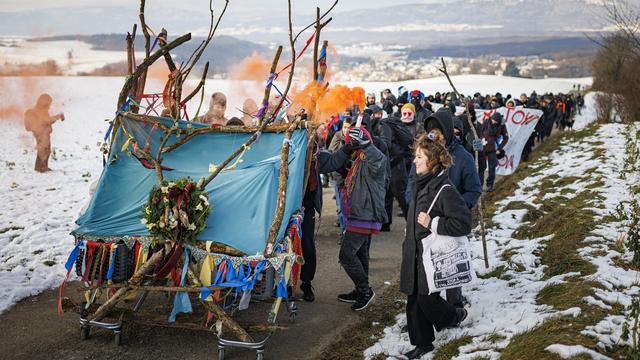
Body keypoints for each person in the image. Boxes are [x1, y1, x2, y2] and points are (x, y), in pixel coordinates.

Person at [400, 132, 471, 358]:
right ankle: (423, 344)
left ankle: (454, 316)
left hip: (430, 254)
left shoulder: (444, 189)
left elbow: (463, 223)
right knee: (413, 297)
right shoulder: (418, 184)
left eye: (420, 157)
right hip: (413, 250)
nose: (415, 161)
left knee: (425, 298)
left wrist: (434, 223)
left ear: (431, 161)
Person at [318, 125, 388, 311]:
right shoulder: (357, 159)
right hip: (358, 213)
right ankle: (360, 289)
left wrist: (365, 143)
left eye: (354, 143)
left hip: (364, 214)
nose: (352, 146)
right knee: (360, 252)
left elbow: (380, 160)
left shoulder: (372, 158)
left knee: (347, 255)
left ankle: (366, 291)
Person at [24, 93, 64, 172]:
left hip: (43, 132)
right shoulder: (39, 111)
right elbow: (46, 121)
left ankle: (41, 167)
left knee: (45, 149)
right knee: (44, 149)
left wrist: (56, 117)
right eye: (49, 103)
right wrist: (57, 117)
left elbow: (47, 120)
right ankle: (41, 167)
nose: (49, 105)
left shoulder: (42, 110)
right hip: (41, 133)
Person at [479, 112, 509, 192]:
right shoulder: (486, 121)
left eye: (495, 121)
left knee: (492, 167)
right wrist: (481, 140)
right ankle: (479, 184)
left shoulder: (501, 126)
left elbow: (506, 138)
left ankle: (490, 184)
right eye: (492, 120)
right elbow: (480, 133)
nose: (493, 122)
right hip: (483, 148)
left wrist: (499, 149)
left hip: (493, 150)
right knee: (481, 167)